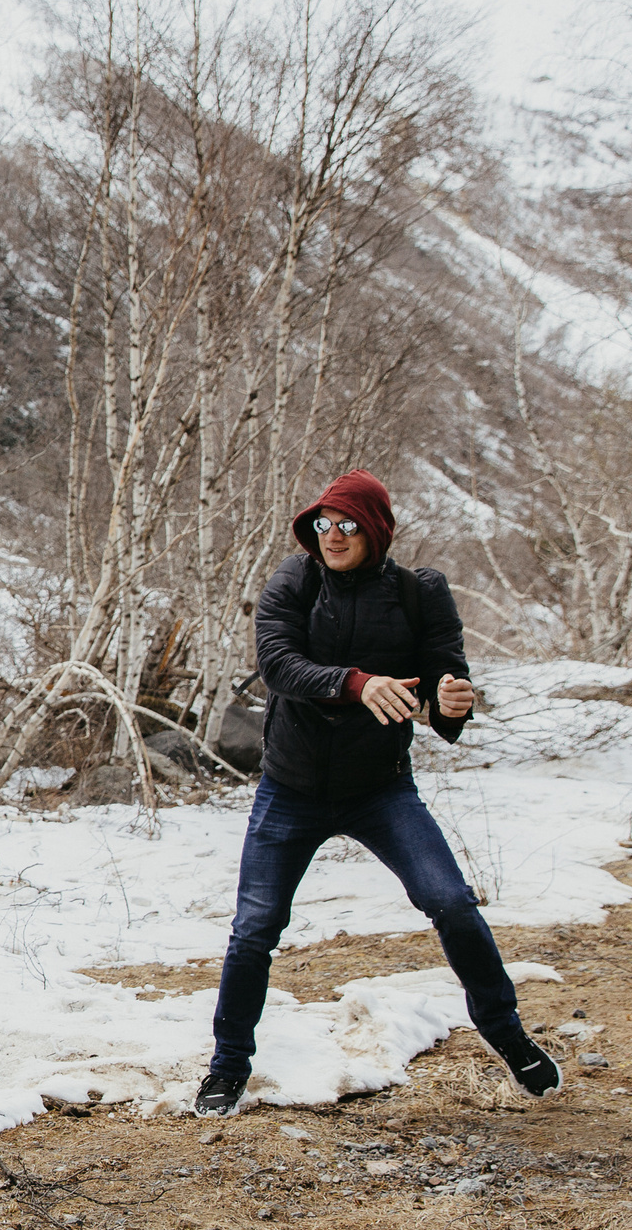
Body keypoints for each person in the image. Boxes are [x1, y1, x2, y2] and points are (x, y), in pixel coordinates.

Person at [195, 470, 561, 1117]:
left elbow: (447, 683)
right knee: (254, 928)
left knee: (451, 900)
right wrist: (358, 683)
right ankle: (227, 1068)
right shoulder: (294, 580)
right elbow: (279, 663)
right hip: (293, 787)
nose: (330, 536)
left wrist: (452, 703)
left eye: (347, 525)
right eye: (322, 523)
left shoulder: (420, 593)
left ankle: (508, 1034)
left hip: (380, 790)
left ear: (376, 531)